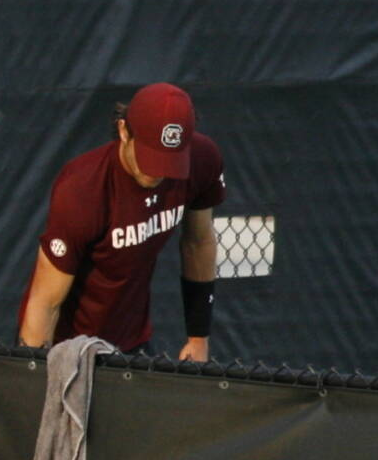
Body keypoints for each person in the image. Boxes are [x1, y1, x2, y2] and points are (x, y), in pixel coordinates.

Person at [17, 82, 226, 357]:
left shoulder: (202, 160)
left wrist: (198, 337)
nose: (157, 174)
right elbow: (45, 301)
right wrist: (35, 371)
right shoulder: (83, 189)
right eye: (149, 158)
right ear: (124, 130)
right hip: (66, 346)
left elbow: (199, 241)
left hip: (131, 341)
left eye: (170, 163)